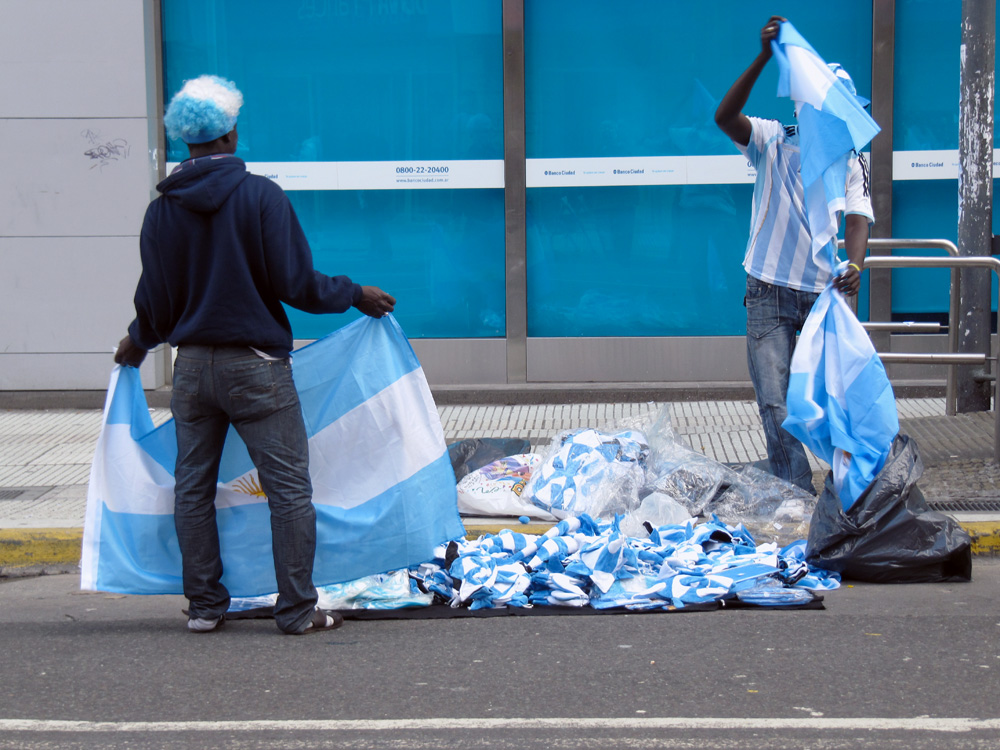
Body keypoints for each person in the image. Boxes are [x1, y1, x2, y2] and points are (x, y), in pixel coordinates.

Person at [114, 75, 397, 635]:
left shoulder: (161, 212)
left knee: (192, 487)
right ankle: (295, 610)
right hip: (257, 368)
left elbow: (155, 304)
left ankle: (204, 608)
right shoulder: (261, 196)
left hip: (191, 369)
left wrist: (137, 342)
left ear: (185, 141)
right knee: (289, 490)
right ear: (232, 132)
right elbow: (297, 284)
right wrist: (354, 294)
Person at [714, 17, 874, 494]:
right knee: (775, 402)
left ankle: (846, 488)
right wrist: (764, 57)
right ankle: (796, 492)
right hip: (768, 288)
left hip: (823, 292)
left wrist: (857, 266)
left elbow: (860, 216)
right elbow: (725, 118)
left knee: (831, 397)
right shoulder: (773, 141)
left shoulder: (849, 158)